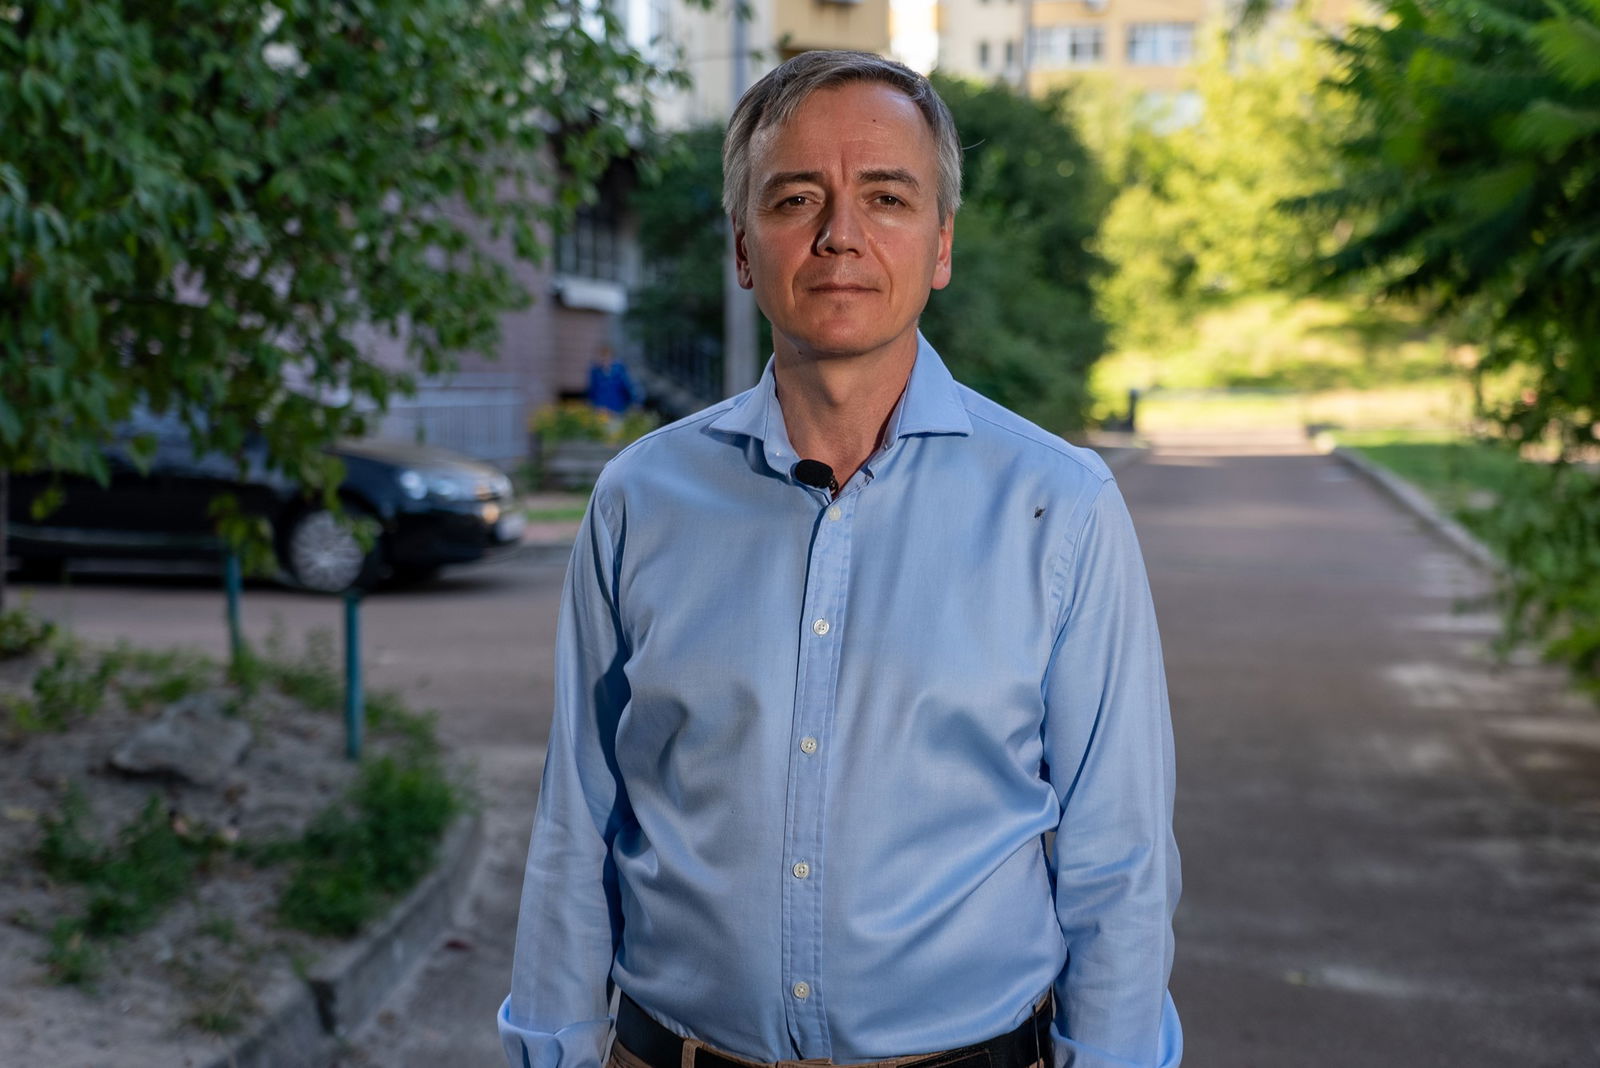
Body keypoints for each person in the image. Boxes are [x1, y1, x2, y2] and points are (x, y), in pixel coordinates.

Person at [500, 50, 1181, 1068]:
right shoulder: (640, 500)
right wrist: (551, 1050)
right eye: (794, 198)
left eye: (886, 196)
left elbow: (1116, 855)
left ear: (940, 245)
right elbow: (578, 818)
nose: (839, 236)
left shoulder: (1059, 507)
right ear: (742, 245)